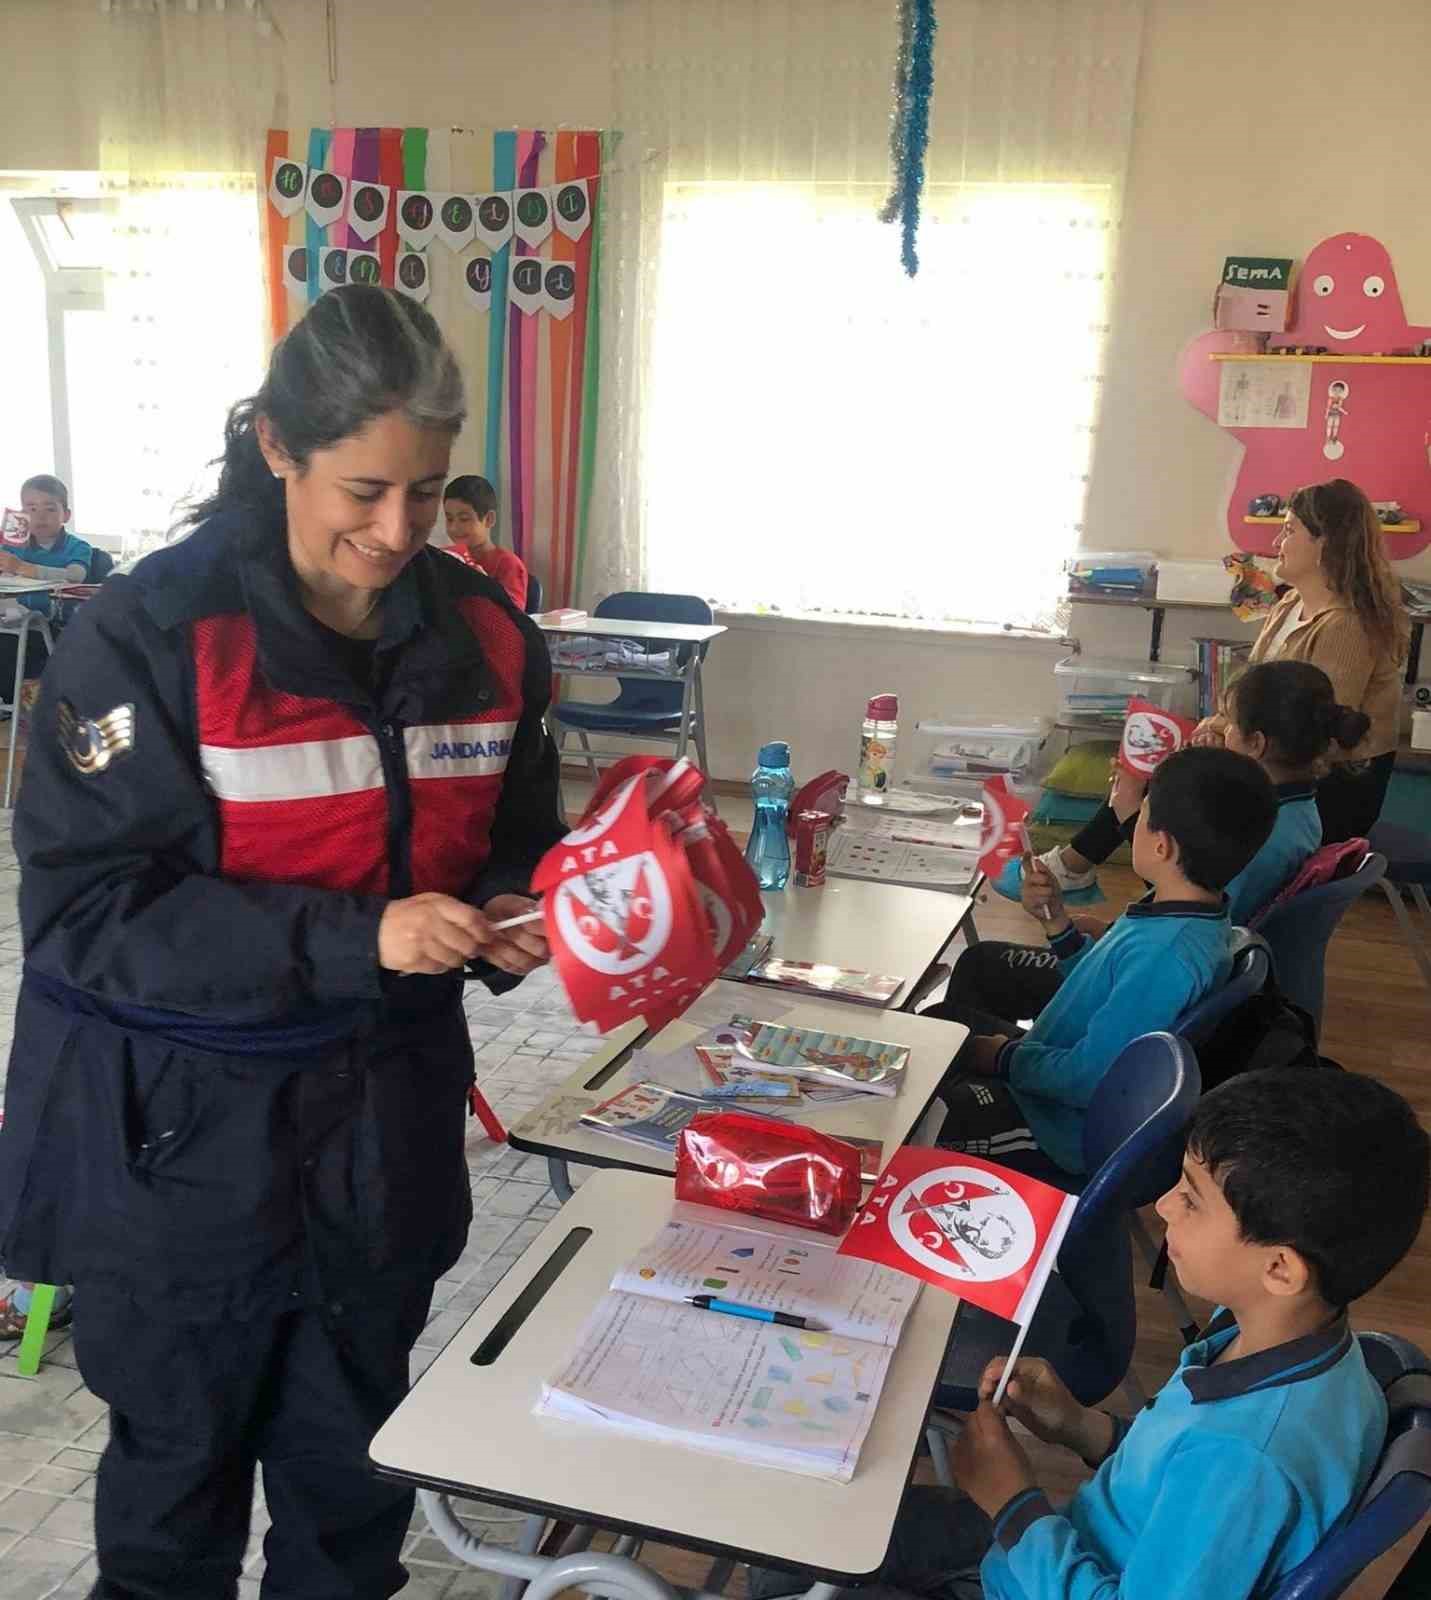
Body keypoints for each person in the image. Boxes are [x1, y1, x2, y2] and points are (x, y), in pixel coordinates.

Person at [0, 285, 566, 1600]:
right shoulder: (148, 635)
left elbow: (515, 839)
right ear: (274, 446)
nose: (395, 529)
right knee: (174, 1502)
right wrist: (361, 935)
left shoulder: (483, 641)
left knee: (349, 1490)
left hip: (386, 1134)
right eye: (363, 489)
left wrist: (520, 914)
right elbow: (86, 917)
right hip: (182, 1146)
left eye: (424, 494)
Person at [771, 1067, 1428, 1600]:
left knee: (790, 1555)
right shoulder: (1284, 1342)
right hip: (1059, 1549)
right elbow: (1168, 1486)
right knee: (805, 1529)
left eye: (1191, 1198)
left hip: (1034, 1570)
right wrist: (1080, 1427)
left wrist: (1010, 1503)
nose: (1164, 1205)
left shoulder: (1244, 1458)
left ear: (1279, 1268)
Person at [926, 748, 1277, 1174]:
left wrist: (1001, 1059)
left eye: (1142, 814)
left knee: (922, 1120)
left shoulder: (1165, 956)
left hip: (1057, 1130)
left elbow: (1089, 1079)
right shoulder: (1185, 913)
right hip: (1052, 1073)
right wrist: (1058, 923)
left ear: (1161, 845)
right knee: (937, 1025)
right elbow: (1099, 990)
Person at [962, 661, 1369, 1026]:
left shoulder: (1263, 836)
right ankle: (1072, 866)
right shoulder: (1293, 809)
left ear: (1256, 743)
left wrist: (1128, 812)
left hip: (1146, 987)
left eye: (1228, 722)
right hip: (1169, 966)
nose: (1217, 728)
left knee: (978, 966)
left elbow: (1180, 898)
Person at [1195, 479, 1407, 842]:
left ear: (1325, 543)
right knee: (1168, 774)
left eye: (1289, 530)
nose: (1277, 543)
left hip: (1325, 790)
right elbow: (1249, 690)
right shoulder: (1291, 603)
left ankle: (1080, 865)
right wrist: (1216, 727)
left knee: (1178, 801)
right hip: (1271, 762)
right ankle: (1078, 863)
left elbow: (1313, 738)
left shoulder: (1347, 625)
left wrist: (1234, 741)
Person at [0, 475, 96, 693]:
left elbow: (74, 576)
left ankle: (16, 701)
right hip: (14, 622)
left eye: (50, 509)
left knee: (14, 651)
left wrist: (24, 568)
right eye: (31, 509)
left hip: (56, 625)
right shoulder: (13, 545)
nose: (40, 516)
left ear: (66, 515)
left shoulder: (78, 547)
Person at [442, 472, 529, 611]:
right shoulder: (444, 558)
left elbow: (513, 620)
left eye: (464, 519)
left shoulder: (508, 565)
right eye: (449, 519)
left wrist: (485, 586)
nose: (454, 528)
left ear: (489, 519)